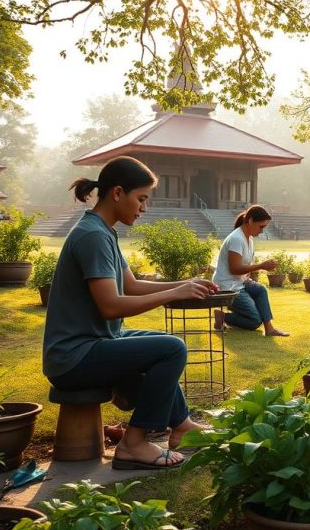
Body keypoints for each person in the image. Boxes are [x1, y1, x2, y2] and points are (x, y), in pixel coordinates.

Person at [42, 156, 216, 471]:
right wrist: (173, 294)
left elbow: (131, 285)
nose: (144, 208)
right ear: (118, 193)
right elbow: (111, 305)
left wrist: (185, 283)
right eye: (141, 198)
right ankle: (133, 443)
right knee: (171, 348)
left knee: (163, 343)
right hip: (73, 356)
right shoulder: (92, 235)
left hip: (96, 342)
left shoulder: (103, 231)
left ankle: (181, 426)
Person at [212, 205, 290, 337]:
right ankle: (222, 316)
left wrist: (250, 275)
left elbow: (244, 265)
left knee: (260, 290)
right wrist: (261, 266)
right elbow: (235, 268)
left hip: (239, 282)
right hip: (227, 286)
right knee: (254, 321)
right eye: (261, 227)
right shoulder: (236, 239)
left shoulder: (249, 238)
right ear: (250, 221)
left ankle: (269, 328)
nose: (262, 231)